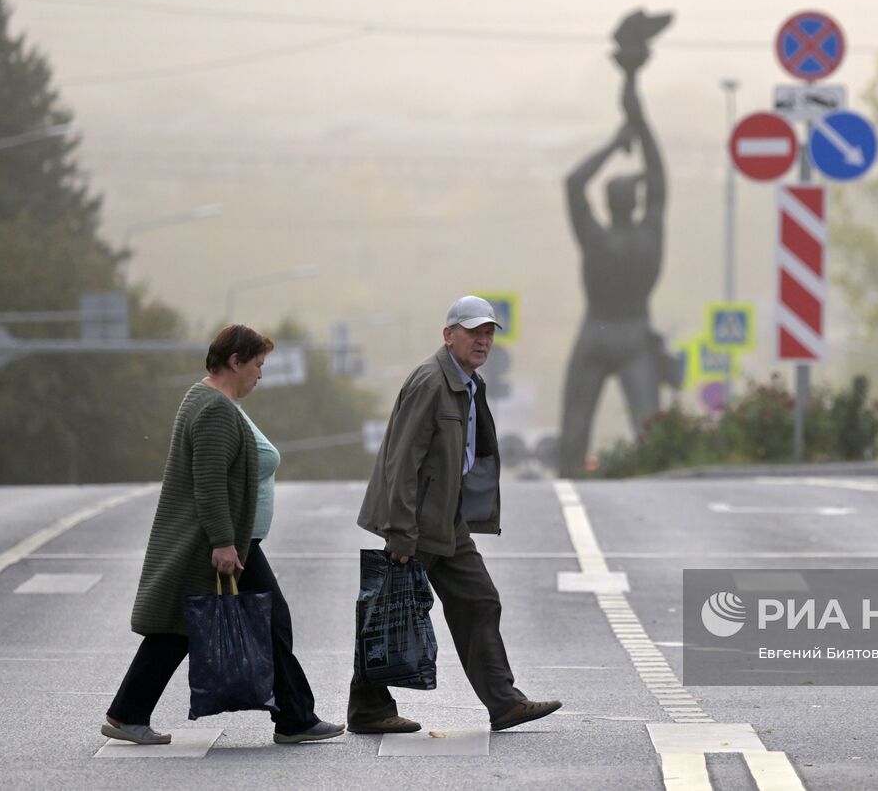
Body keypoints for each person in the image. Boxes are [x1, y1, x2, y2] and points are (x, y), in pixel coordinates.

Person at [103, 324, 343, 745]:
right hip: (222, 541)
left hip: (228, 537)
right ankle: (295, 719)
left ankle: (128, 713)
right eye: (257, 364)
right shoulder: (214, 408)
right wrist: (223, 541)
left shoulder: (207, 398)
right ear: (235, 361)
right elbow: (209, 481)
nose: (260, 374)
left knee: (181, 628)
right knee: (258, 621)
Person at [350, 296, 561, 734]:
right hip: (415, 523)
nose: (483, 340)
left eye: (488, 333)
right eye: (473, 332)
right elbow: (401, 461)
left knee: (479, 600)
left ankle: (504, 703)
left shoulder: (469, 382)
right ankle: (368, 709)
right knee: (393, 612)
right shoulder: (431, 382)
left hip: (448, 520)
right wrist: (401, 531)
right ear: (449, 335)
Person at [558, 9, 676, 475]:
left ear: (607, 200)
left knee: (574, 431)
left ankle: (567, 478)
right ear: (638, 198)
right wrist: (637, 117)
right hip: (631, 335)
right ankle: (652, 471)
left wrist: (614, 141)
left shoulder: (596, 239)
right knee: (649, 429)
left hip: (595, 333)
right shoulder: (650, 233)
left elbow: (572, 183)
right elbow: (660, 172)